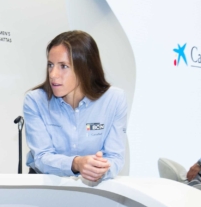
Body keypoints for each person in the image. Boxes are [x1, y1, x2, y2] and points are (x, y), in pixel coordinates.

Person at [23, 30, 127, 181]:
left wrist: (99, 168)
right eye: (50, 65)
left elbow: (115, 157)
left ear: (87, 68)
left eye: (63, 66)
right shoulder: (35, 101)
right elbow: (42, 157)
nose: (53, 74)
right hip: (46, 184)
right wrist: (77, 163)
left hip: (94, 185)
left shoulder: (114, 99)